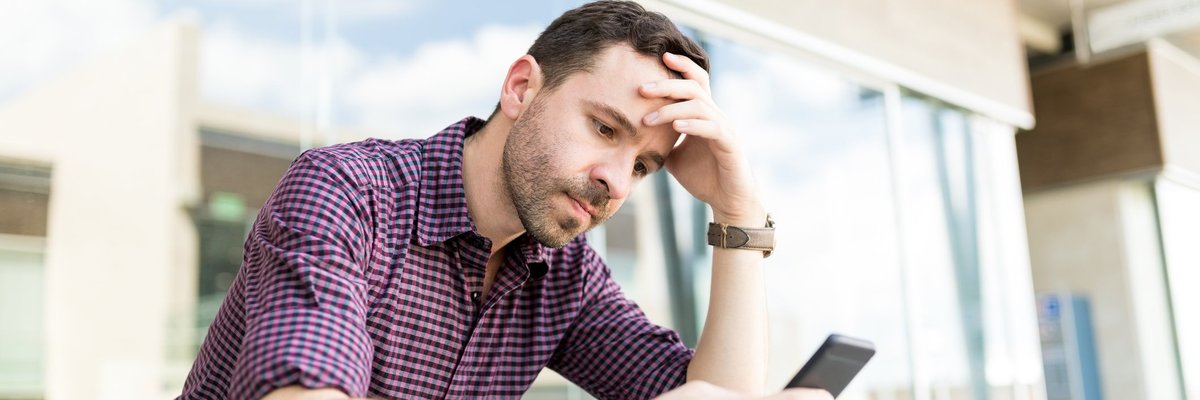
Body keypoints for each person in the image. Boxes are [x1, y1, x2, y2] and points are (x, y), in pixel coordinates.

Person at [179, 1, 830, 399]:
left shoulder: (563, 275)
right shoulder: (349, 192)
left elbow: (714, 397)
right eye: (605, 129)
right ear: (521, 87)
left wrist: (736, 217)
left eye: (643, 165)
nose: (616, 181)